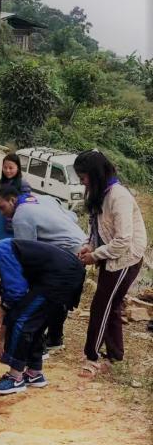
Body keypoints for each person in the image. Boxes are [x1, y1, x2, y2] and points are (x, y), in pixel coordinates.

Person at [0, 229, 85, 395]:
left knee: (22, 319)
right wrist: (1, 338)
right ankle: (34, 372)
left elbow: (16, 291)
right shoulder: (0, 250)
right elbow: (12, 291)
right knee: (34, 321)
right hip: (67, 273)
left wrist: (0, 314)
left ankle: (15, 377)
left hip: (60, 276)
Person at [73, 150, 147, 374]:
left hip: (126, 258)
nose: (82, 182)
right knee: (111, 305)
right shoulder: (98, 193)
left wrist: (94, 255)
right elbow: (97, 228)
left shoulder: (119, 196)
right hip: (111, 255)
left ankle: (92, 357)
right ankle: (115, 355)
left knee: (101, 305)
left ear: (95, 175)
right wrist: (90, 246)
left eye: (84, 177)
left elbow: (123, 239)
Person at [0, 185, 87, 350]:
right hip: (82, 243)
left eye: (2, 207)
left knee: (43, 292)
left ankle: (38, 340)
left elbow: (25, 255)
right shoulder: (41, 199)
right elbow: (72, 217)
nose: (2, 213)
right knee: (59, 295)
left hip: (67, 250)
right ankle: (54, 338)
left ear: (12, 200)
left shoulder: (21, 216)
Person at [0, 153, 31, 240]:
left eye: (11, 168)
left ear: (18, 168)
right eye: (5, 167)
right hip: (0, 223)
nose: (7, 170)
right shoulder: (1, 183)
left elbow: (25, 209)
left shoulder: (23, 185)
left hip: (12, 228)